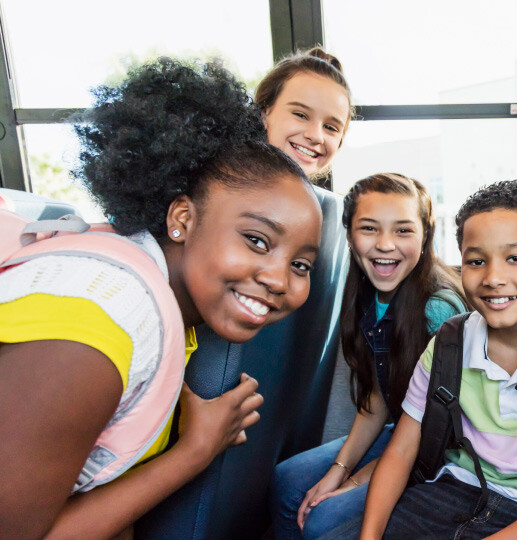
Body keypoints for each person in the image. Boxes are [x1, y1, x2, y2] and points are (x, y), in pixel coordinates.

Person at [0, 58, 323, 539]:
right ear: (182, 219)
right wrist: (194, 452)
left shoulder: (165, 308)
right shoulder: (98, 322)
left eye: (301, 265)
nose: (280, 280)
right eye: (256, 240)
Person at [323, 180, 517, 539]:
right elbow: (401, 451)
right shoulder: (450, 342)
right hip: (449, 491)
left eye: (516, 258)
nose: (494, 278)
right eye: (476, 261)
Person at [269, 173, 468, 539]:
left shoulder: (438, 311)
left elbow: (440, 434)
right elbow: (379, 394)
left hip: (446, 451)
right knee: (288, 481)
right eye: (369, 229)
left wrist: (357, 480)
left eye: (403, 231)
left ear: (426, 236)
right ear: (349, 236)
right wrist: (338, 469)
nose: (385, 245)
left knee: (322, 518)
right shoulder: (368, 293)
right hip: (403, 430)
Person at [255, 47, 353, 184]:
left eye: (330, 127)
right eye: (301, 115)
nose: (316, 136)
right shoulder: (224, 192)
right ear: (264, 113)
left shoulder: (326, 204)